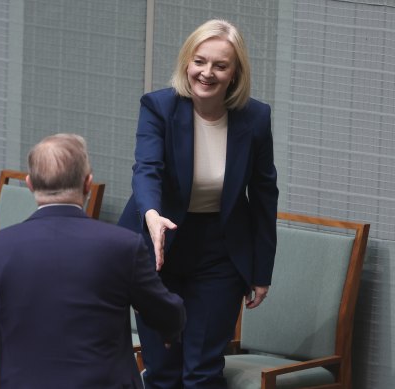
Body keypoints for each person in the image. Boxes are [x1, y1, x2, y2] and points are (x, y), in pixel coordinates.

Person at [0, 133, 186, 389]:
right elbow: (167, 312)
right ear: (88, 183)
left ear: (30, 184)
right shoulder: (122, 247)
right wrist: (169, 330)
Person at [118, 19, 279, 388]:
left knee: (202, 372)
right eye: (199, 61)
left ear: (235, 73)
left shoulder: (255, 118)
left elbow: (264, 196)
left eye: (220, 65)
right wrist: (153, 216)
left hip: (219, 252)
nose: (206, 73)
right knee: (162, 371)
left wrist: (261, 271)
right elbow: (147, 170)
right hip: (160, 244)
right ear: (186, 62)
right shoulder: (160, 107)